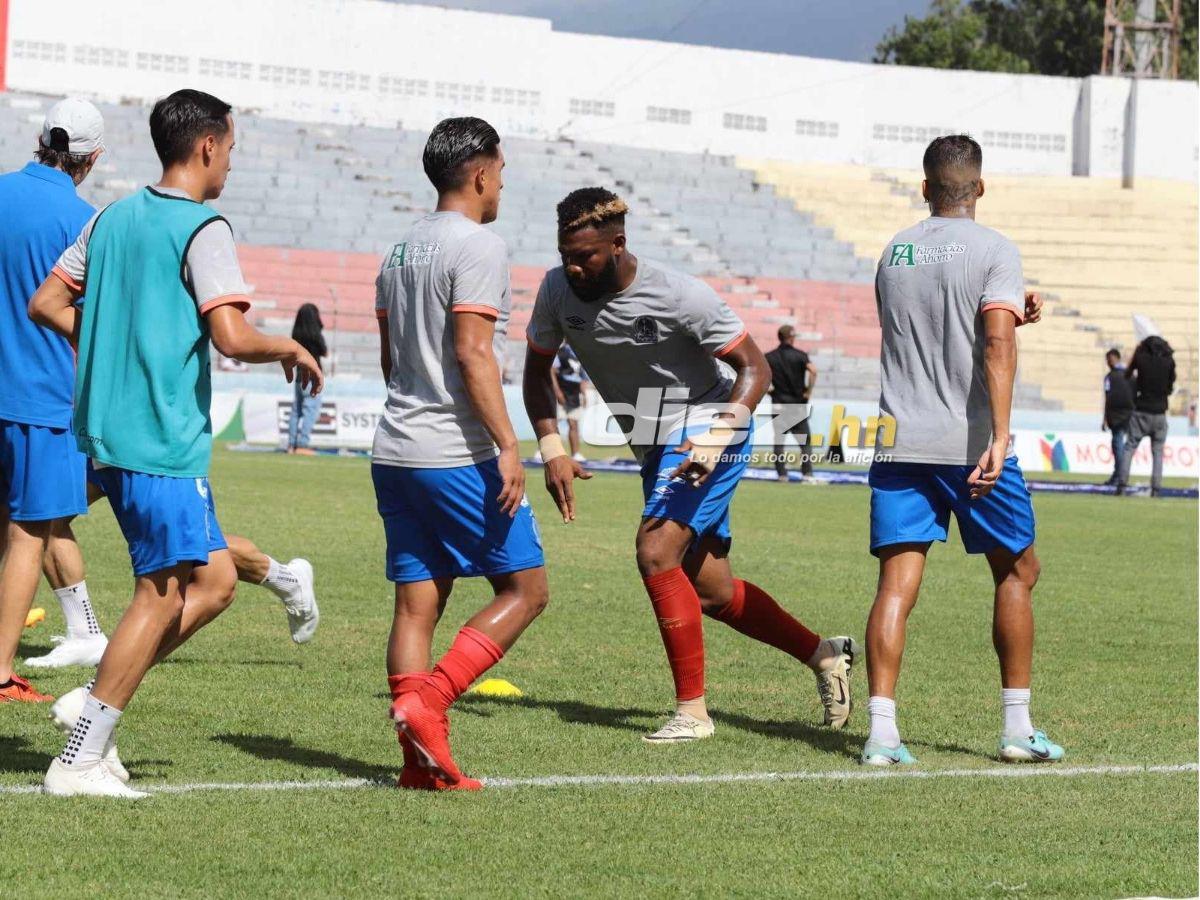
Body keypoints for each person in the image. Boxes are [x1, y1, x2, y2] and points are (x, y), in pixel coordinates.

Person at [29, 89, 323, 797]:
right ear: (208, 146)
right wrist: (287, 344)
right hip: (158, 436)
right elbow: (229, 335)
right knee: (159, 595)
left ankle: (95, 708)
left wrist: (109, 346)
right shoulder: (204, 226)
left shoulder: (110, 216)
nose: (230, 163)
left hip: (109, 431)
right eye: (232, 148)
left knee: (216, 581)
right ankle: (80, 754)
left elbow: (48, 302)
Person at [525, 187, 859, 744]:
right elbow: (536, 370)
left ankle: (693, 713)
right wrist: (553, 447)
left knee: (656, 552)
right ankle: (824, 655)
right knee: (713, 593)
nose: (573, 267)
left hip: (708, 425)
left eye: (585, 256)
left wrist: (716, 437)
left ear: (618, 244)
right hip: (654, 442)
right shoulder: (557, 289)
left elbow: (755, 369)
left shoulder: (680, 294)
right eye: (565, 255)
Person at [863, 134, 1057, 767]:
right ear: (980, 186)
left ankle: (881, 735)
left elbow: (926, 328)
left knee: (897, 583)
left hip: (899, 438)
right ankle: (1017, 728)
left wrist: (1003, 316)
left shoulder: (896, 250)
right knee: (1017, 570)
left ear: (924, 187)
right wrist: (1000, 439)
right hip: (969, 441)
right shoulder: (995, 249)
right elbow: (994, 346)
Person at [373, 118, 548, 791]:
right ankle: (432, 702)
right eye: (500, 172)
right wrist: (508, 443)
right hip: (456, 450)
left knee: (417, 602)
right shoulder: (479, 246)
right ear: (479, 173)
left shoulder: (399, 250)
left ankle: (416, 765)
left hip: (396, 448)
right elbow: (474, 352)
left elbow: (393, 361)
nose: (502, 184)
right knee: (526, 590)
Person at [0, 99, 110, 700]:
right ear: (91, 159)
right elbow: (92, 317)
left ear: (40, 137)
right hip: (40, 397)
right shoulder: (85, 219)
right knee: (27, 536)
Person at [1116, 336, 1175, 497]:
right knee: (1157, 452)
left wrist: (1136, 352)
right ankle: (1156, 489)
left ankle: (1122, 485)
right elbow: (1170, 387)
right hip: (1160, 414)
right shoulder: (1169, 361)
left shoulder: (1141, 359)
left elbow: (1127, 375)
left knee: (1129, 447)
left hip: (1141, 411)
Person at [765, 324, 818, 481]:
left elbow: (761, 375)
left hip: (779, 403)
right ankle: (807, 473)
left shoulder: (769, 357)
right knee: (805, 441)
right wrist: (808, 392)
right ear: (792, 337)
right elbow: (813, 371)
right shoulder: (800, 355)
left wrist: (769, 390)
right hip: (797, 405)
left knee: (779, 440)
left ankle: (782, 474)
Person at [287, 303, 327, 455]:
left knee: (296, 411)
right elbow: (324, 352)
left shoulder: (296, 334)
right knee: (310, 410)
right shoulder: (315, 335)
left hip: (298, 376)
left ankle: (291, 445)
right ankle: (303, 444)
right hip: (312, 377)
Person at [1101, 347, 1134, 487]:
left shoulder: (1110, 377)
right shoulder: (1131, 375)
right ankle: (1120, 475)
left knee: (1118, 446)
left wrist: (1105, 418)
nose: (1108, 362)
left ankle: (1119, 476)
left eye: (1109, 359)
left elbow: (1107, 398)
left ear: (1115, 358)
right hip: (1130, 415)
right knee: (1123, 447)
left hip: (1117, 416)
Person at [552, 344, 589, 462]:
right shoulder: (561, 352)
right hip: (562, 391)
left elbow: (582, 376)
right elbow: (552, 371)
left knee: (573, 424)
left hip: (574, 394)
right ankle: (545, 451)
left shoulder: (581, 352)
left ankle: (575, 454)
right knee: (553, 424)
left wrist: (584, 394)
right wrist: (557, 391)